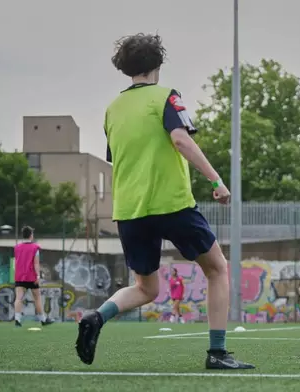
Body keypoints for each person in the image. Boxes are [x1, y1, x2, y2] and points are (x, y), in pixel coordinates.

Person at [74, 33, 254, 370]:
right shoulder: (167, 97)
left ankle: (96, 317)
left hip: (129, 209)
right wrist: (216, 181)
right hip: (171, 203)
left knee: (146, 288)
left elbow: (117, 157)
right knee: (217, 269)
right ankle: (217, 353)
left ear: (125, 68)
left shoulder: (112, 109)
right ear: (158, 64)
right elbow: (180, 140)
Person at [13, 226, 53, 327]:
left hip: (20, 276)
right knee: (37, 298)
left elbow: (16, 262)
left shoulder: (17, 247)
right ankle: (43, 320)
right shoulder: (35, 247)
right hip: (31, 277)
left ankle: (17, 319)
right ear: (31, 235)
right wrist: (38, 276)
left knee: (18, 298)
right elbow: (36, 263)